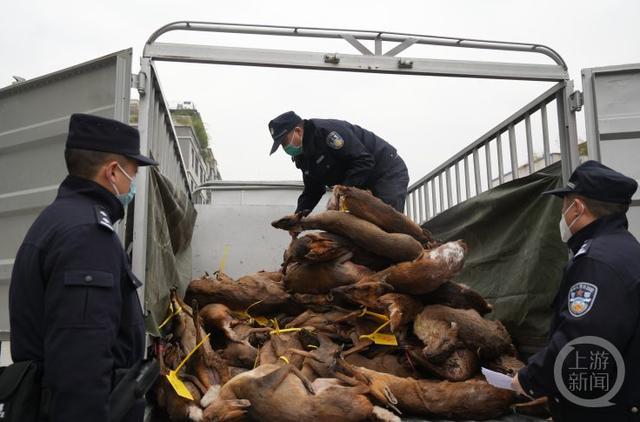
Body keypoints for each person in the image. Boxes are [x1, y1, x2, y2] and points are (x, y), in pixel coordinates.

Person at [9, 113, 158, 421]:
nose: (133, 185)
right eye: (133, 174)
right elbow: (81, 361)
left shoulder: (59, 218)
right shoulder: (88, 236)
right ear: (113, 172)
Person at [512, 160, 640, 421]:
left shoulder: (595, 262)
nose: (563, 215)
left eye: (564, 206)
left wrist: (529, 378)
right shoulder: (626, 249)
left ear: (578, 208)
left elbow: (581, 343)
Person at [268, 111, 409, 213]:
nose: (285, 148)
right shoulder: (303, 156)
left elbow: (363, 161)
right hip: (360, 183)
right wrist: (299, 215)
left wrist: (340, 192)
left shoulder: (329, 133)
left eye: (284, 142)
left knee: (386, 222)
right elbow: (313, 190)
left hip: (386, 171)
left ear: (298, 131)